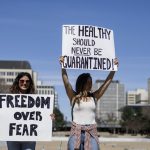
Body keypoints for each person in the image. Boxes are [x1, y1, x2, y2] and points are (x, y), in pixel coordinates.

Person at [59, 56, 119, 150]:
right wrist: (63, 66)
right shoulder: (74, 97)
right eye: (88, 82)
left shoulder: (94, 97)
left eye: (91, 82)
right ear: (82, 83)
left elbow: (106, 83)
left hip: (91, 132)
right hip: (76, 132)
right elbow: (66, 83)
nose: (90, 84)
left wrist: (113, 69)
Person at [7, 72, 36, 150]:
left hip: (29, 138)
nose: (24, 83)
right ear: (18, 82)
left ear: (30, 83)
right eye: (22, 81)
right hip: (12, 137)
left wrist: (49, 116)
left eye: (27, 81)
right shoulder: (9, 98)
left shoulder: (36, 100)